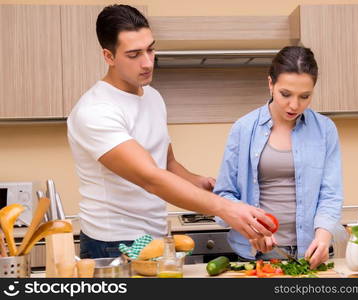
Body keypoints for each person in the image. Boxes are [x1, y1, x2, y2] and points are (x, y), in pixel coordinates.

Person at [67, 4, 273, 259]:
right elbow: (151, 178)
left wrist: (198, 183)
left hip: (155, 236)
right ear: (108, 56)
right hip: (114, 242)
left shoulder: (152, 97)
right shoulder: (95, 110)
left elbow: (167, 164)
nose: (147, 62)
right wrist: (225, 208)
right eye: (134, 54)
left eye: (150, 49)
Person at [213, 46, 344, 269]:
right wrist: (253, 228)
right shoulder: (243, 128)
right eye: (286, 94)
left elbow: (330, 194)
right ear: (271, 84)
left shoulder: (325, 129)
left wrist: (323, 238)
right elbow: (225, 193)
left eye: (305, 96)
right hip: (254, 254)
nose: (294, 105)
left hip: (309, 253)